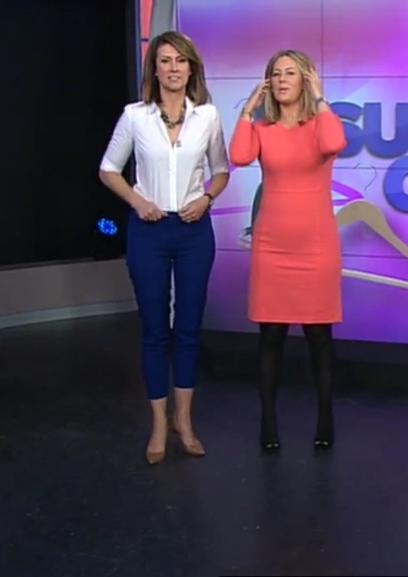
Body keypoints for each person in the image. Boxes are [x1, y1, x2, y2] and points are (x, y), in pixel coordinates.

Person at [98, 31, 230, 465]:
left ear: (192, 69)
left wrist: (206, 198)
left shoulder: (207, 116)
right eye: (166, 60)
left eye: (181, 61)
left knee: (188, 327)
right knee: (155, 329)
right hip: (148, 232)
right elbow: (108, 169)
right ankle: (158, 423)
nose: (174, 68)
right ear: (154, 68)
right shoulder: (135, 117)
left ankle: (184, 421)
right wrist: (138, 201)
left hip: (193, 232)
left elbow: (221, 170)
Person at [229, 49, 347, 453]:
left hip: (316, 247)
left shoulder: (321, 125)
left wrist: (321, 97)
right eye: (275, 73)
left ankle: (325, 417)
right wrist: (247, 111)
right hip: (272, 247)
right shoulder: (262, 129)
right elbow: (239, 155)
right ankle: (268, 421)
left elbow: (335, 142)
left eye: (290, 73)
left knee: (319, 337)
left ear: (305, 80)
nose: (281, 80)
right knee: (271, 337)